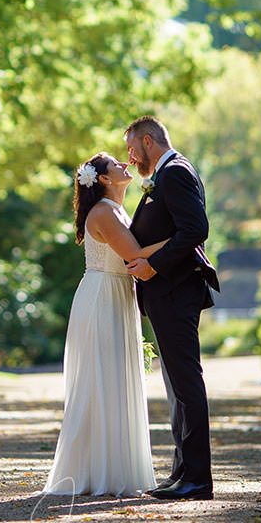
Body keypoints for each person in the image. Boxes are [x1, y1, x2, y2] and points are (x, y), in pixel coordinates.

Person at [42, 153, 167, 497]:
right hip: (102, 298)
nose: (124, 165)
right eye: (116, 164)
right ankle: (96, 472)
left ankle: (113, 468)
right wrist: (181, 241)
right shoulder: (105, 213)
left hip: (116, 294)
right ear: (104, 180)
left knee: (112, 380)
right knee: (101, 380)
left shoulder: (116, 209)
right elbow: (135, 254)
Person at [124, 115, 220, 501]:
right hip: (166, 293)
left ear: (149, 142)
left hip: (176, 289)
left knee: (186, 383)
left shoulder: (175, 172)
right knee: (176, 387)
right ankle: (182, 471)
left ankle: (198, 479)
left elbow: (195, 230)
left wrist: (153, 265)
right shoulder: (164, 174)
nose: (130, 158)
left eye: (132, 148)